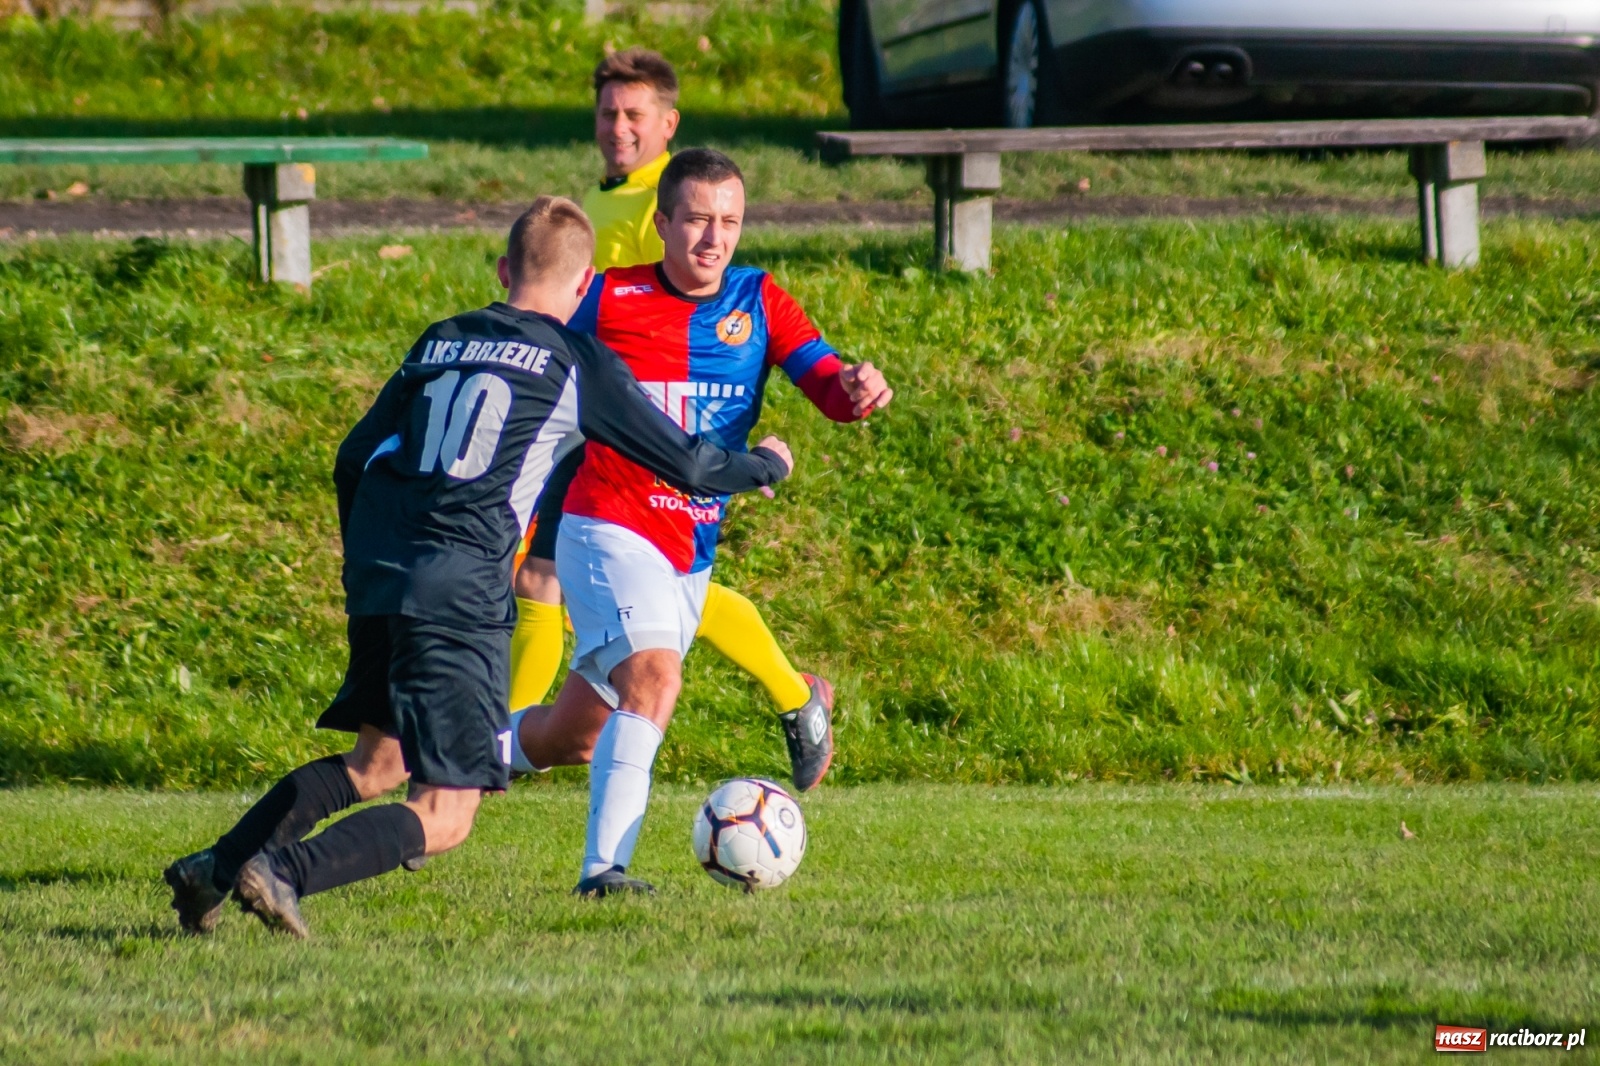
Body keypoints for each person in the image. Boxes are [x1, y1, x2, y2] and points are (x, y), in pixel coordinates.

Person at [161, 196, 793, 937]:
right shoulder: (574, 359)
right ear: (584, 283)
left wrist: (363, 562)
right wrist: (763, 464)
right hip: (460, 592)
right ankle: (283, 872)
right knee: (446, 812)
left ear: (502, 270)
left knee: (377, 762)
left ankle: (215, 867)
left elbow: (353, 458)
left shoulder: (440, 339)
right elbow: (687, 462)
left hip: (383, 575)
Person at [509, 149, 893, 897]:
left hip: (690, 548)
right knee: (657, 678)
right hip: (607, 521)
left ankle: (456, 756)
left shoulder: (760, 299)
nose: (713, 238)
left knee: (573, 736)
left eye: (729, 221)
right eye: (696, 220)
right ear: (661, 223)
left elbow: (825, 383)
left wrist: (856, 386)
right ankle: (603, 873)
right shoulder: (606, 296)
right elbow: (527, 355)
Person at [507, 48, 835, 792]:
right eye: (608, 113)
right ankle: (793, 695)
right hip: (600, 425)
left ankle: (497, 743)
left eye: (635, 115)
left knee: (561, 580)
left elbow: (665, 305)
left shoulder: (667, 200)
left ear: (669, 124)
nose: (618, 128)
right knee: (558, 582)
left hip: (640, 431)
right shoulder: (612, 201)